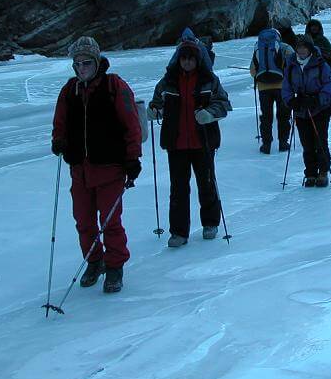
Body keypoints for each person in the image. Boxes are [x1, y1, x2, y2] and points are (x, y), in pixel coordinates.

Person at [51, 36, 143, 294]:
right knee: (84, 221)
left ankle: (115, 266)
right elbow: (60, 122)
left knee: (111, 221)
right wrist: (58, 140)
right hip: (80, 168)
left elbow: (131, 124)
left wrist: (132, 158)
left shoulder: (115, 86)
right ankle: (94, 260)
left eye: (86, 63)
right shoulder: (70, 90)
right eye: (77, 63)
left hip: (110, 168)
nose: (82, 68)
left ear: (97, 61)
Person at [148, 29, 232, 247]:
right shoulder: (168, 82)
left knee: (206, 183)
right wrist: (155, 110)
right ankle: (178, 232)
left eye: (191, 58)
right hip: (176, 143)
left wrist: (210, 114)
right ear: (178, 59)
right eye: (183, 58)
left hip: (203, 142)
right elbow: (157, 102)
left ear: (197, 59)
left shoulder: (209, 80)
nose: (186, 62)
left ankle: (210, 222)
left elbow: (224, 104)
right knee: (178, 188)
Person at [282, 34, 331, 187]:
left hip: (319, 109)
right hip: (301, 109)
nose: (301, 50)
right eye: (299, 47)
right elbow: (286, 86)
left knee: (320, 141)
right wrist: (291, 101)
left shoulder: (320, 64)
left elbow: (328, 85)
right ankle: (310, 173)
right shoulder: (291, 64)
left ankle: (323, 171)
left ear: (310, 48)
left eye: (304, 47)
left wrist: (317, 100)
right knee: (307, 143)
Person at [250, 28, 295, 154]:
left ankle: (266, 145)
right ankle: (283, 143)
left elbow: (253, 71)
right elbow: (293, 66)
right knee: (284, 115)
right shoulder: (285, 47)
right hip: (282, 87)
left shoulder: (258, 48)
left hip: (264, 88)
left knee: (266, 116)